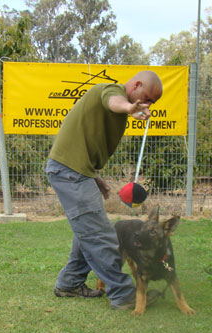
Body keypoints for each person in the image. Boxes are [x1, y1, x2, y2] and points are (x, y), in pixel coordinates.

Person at [45, 71, 163, 310]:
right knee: (101, 236)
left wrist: (94, 176)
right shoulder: (110, 91)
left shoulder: (118, 105)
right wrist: (129, 107)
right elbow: (113, 102)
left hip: (77, 171)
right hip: (70, 172)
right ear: (136, 84)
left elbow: (83, 143)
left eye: (152, 102)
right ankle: (123, 295)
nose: (148, 105)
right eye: (148, 98)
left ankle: (69, 283)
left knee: (87, 233)